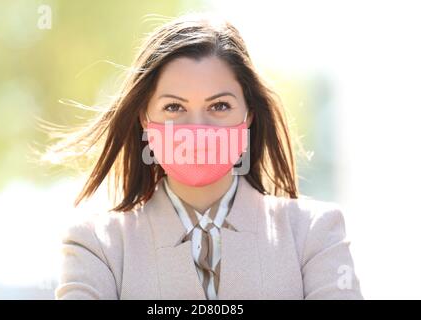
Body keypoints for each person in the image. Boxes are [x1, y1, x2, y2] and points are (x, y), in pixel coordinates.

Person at [51, 13, 363, 300]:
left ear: (249, 115)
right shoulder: (97, 246)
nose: (197, 128)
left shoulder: (314, 234)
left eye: (219, 106)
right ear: (145, 119)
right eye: (174, 108)